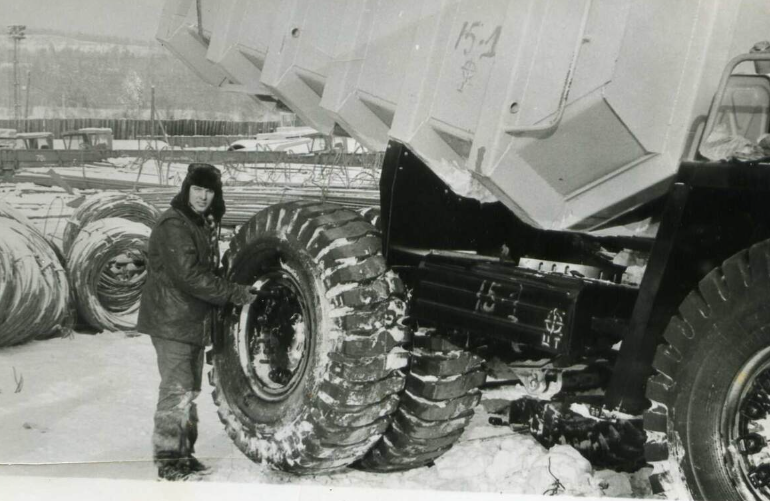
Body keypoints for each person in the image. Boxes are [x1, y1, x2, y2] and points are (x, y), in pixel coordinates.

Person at [137, 163, 256, 481]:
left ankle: (183, 456)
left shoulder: (200, 223)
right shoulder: (173, 224)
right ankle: (169, 461)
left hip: (189, 321)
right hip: (171, 321)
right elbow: (189, 276)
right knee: (176, 391)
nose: (203, 196)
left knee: (187, 391)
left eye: (209, 191)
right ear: (186, 190)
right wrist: (234, 293)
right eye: (198, 189)